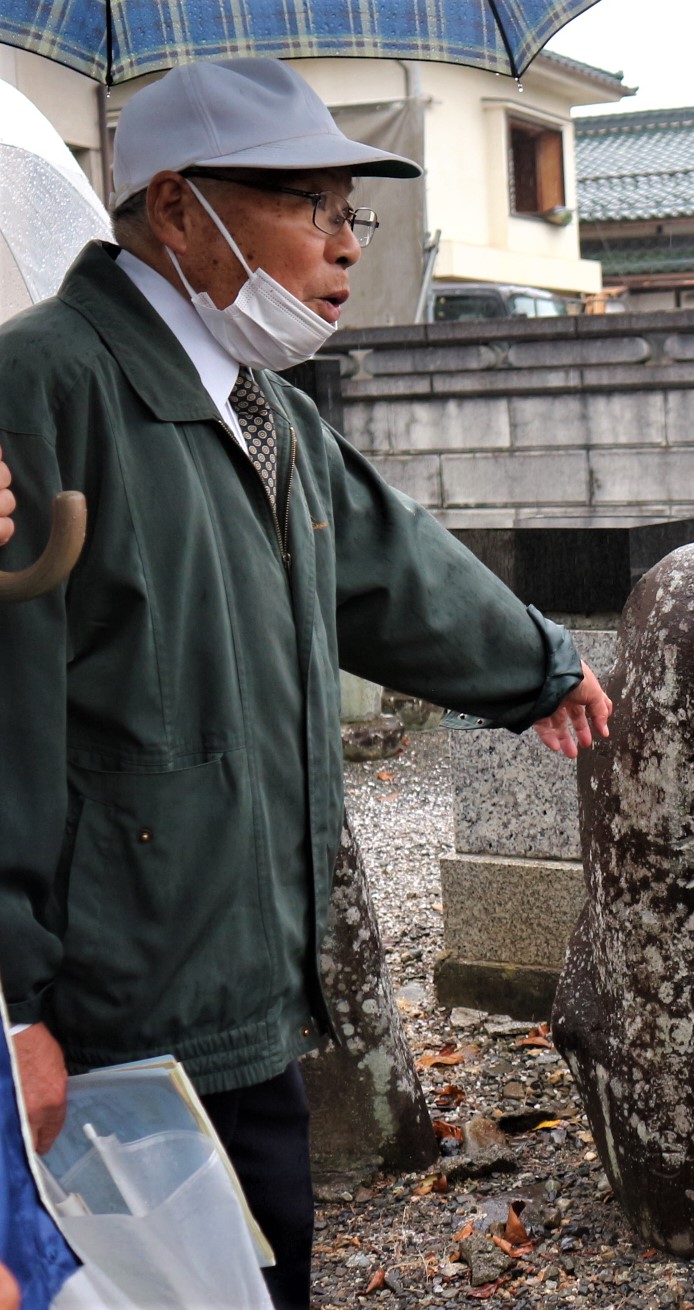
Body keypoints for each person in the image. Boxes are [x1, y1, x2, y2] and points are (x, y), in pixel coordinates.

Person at [0, 58, 612, 1309]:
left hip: (241, 969)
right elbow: (5, 711)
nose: (344, 246)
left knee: (257, 1261)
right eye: (310, 205)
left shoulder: (260, 402)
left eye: (352, 210)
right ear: (176, 210)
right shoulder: (46, 386)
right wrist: (16, 1002)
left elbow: (388, 567)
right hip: (108, 999)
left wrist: (538, 668)